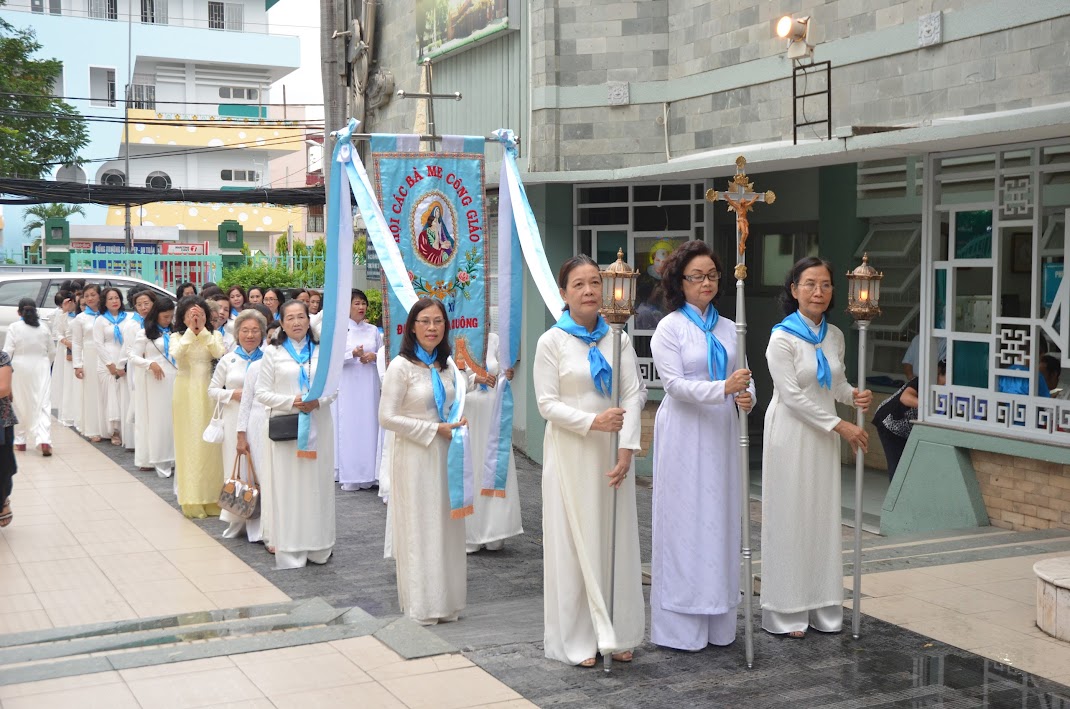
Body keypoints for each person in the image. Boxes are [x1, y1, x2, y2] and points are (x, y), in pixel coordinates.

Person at [533, 255, 644, 667]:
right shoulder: (552, 342)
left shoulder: (620, 338)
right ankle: (579, 638)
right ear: (564, 294)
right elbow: (546, 404)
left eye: (595, 282)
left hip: (612, 453)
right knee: (573, 541)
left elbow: (633, 393)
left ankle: (618, 631)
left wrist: (626, 447)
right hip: (571, 451)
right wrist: (592, 421)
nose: (589, 291)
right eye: (578, 284)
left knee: (614, 538)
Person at [648, 240, 756, 651]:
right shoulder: (670, 328)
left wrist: (747, 396)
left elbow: (745, 377)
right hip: (684, 432)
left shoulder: (731, 328)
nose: (706, 282)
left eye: (712, 275)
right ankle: (681, 626)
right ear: (680, 282)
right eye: (697, 276)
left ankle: (719, 619)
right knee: (684, 519)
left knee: (720, 518)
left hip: (721, 433)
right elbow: (673, 385)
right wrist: (723, 388)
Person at [761, 257, 872, 639]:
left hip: (823, 434)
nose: (818, 292)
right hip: (791, 433)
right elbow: (791, 396)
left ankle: (822, 606)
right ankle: (788, 608)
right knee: (791, 515)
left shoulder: (835, 335)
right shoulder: (782, 337)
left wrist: (854, 396)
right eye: (809, 284)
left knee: (822, 517)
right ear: (793, 290)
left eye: (825, 284)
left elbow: (834, 386)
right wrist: (841, 425)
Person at [379, 298, 469, 623]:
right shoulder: (400, 367)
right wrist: (432, 429)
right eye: (425, 321)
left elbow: (456, 401)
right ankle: (423, 605)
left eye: (438, 322)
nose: (432, 328)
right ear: (412, 327)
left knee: (446, 525)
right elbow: (386, 417)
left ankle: (447, 601)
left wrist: (458, 422)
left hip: (447, 455)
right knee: (420, 526)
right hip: (416, 455)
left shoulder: (448, 366)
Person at [255, 299, 336, 568]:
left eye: (301, 316)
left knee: (316, 484)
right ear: (282, 323)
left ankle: (318, 544)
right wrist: (293, 401)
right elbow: (262, 393)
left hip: (318, 424)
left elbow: (333, 389)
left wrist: (318, 402)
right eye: (290, 318)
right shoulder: (272, 353)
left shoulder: (322, 351)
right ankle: (290, 546)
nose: (297, 322)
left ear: (308, 319)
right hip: (287, 429)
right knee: (288, 487)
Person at [463, 331, 524, 553]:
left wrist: (507, 374)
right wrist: (473, 378)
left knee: (492, 466)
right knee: (472, 467)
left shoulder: (494, 338)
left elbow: (503, 371)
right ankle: (469, 532)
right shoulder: (457, 337)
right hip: (468, 410)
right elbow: (447, 378)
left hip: (492, 410)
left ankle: (494, 529)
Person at [210, 309, 267, 541]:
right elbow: (212, 389)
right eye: (245, 330)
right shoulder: (228, 359)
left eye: (255, 330)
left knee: (260, 470)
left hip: (260, 421)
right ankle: (237, 519)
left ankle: (261, 524)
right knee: (237, 470)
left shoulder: (268, 359)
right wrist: (233, 394)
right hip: (234, 420)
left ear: (262, 333)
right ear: (237, 333)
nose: (250, 335)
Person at [171, 296, 226, 518]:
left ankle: (212, 497)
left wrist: (202, 331)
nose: (196, 319)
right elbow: (175, 355)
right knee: (189, 444)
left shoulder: (215, 335)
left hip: (208, 391)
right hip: (184, 392)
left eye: (200, 315)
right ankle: (191, 499)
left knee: (210, 446)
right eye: (191, 315)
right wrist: (190, 332)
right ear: (182, 317)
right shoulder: (176, 336)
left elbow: (219, 353)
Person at [336, 290, 383, 491]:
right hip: (348, 385)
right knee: (350, 425)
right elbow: (332, 359)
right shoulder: (339, 330)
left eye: (363, 303)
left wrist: (373, 357)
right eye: (356, 303)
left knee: (370, 423)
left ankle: (371, 473)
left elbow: (383, 353)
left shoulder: (373, 330)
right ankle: (351, 474)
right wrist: (352, 354)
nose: (361, 307)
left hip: (369, 383)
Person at [129, 298, 178, 479]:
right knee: (157, 420)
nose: (168, 320)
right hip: (156, 381)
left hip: (174, 379)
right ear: (156, 314)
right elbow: (133, 356)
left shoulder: (175, 332)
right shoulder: (145, 333)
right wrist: (150, 364)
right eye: (165, 317)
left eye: (171, 317)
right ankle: (157, 457)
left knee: (172, 419)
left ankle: (173, 457)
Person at [875, 361, 944, 480]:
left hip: (906, 428)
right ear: (938, 373)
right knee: (898, 466)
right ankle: (895, 497)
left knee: (910, 465)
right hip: (889, 422)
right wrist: (931, 407)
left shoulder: (945, 390)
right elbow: (905, 398)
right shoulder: (922, 381)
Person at [3, 298, 55, 456]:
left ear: (19, 312)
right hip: (42, 367)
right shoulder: (44, 327)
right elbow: (52, 352)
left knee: (20, 403)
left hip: (19, 368)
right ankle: (44, 439)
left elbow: (7, 352)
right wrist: (45, 364)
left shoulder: (14, 327)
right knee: (43, 403)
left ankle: (20, 441)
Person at [92, 287, 129, 447]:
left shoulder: (128, 318)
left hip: (124, 360)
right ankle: (114, 431)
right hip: (106, 363)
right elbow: (98, 344)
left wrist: (123, 362)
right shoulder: (100, 320)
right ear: (104, 302)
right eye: (110, 299)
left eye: (117, 298)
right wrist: (110, 364)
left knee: (124, 395)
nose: (114, 301)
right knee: (111, 397)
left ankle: (126, 430)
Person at [123, 289, 155, 457]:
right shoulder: (132, 325)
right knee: (139, 404)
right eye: (139, 305)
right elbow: (129, 351)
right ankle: (139, 445)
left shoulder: (159, 322)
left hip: (156, 369)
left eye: (146, 303)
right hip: (138, 368)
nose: (143, 307)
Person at [71, 283, 104, 443]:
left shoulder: (107, 315)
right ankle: (93, 428)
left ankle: (109, 428)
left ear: (99, 296)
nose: (90, 298)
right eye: (87, 296)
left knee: (107, 392)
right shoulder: (81, 318)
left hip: (106, 357)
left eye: (93, 294)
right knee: (91, 393)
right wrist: (77, 364)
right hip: (90, 357)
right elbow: (76, 343)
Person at [50, 290, 75, 425]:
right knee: (68, 381)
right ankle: (68, 413)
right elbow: (57, 333)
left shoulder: (82, 315)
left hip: (81, 350)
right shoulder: (62, 315)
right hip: (67, 349)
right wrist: (67, 343)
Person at [0, 351, 16, 528]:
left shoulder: (1, 357)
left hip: (1, 421)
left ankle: (2, 499)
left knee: (3, 468)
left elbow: (4, 388)